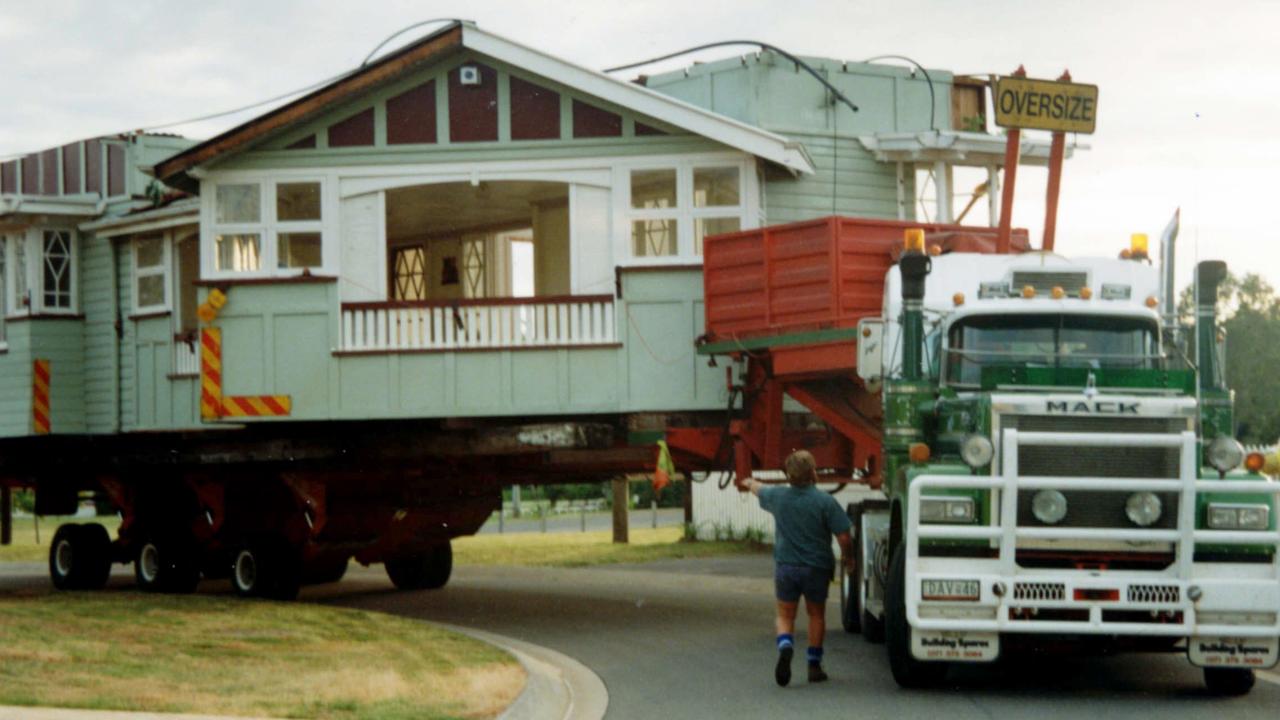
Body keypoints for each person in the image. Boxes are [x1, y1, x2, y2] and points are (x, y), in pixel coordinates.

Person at [740, 450, 853, 687]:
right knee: (816, 614)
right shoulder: (825, 501)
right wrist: (848, 558)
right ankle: (813, 665)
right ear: (813, 472)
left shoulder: (778, 496)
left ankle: (785, 645)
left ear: (787, 475)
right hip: (816, 568)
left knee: (784, 614)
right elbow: (843, 535)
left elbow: (757, 487)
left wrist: (746, 481)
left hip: (786, 567)